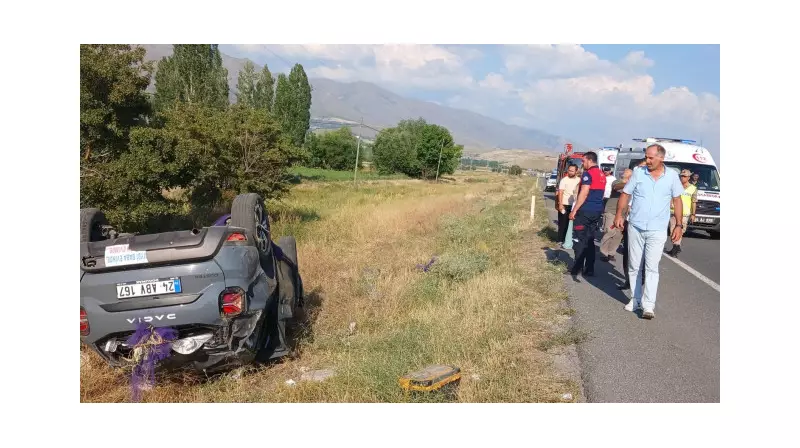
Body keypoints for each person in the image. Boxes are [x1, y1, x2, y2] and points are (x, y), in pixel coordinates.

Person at [614, 145, 685, 319]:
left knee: (651, 267)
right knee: (634, 265)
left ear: (661, 158)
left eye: (651, 158)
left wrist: (678, 225)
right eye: (646, 157)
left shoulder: (672, 177)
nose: (647, 161)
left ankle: (648, 305)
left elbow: (677, 200)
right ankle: (635, 299)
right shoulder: (639, 173)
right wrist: (619, 215)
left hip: (658, 229)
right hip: (636, 226)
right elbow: (625, 194)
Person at [569, 152, 606, 277]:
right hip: (596, 211)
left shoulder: (588, 173)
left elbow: (584, 193)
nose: (582, 164)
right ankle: (589, 268)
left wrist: (574, 210)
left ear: (590, 160)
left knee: (579, 239)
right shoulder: (602, 174)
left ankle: (576, 268)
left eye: (583, 161)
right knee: (590, 240)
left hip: (585, 211)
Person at [599, 168, 630, 263]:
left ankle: (611, 253)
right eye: (627, 173)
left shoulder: (633, 186)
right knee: (609, 231)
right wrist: (630, 183)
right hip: (611, 211)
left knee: (618, 235)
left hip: (623, 214)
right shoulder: (617, 182)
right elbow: (616, 187)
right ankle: (603, 252)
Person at [666, 169, 698, 258]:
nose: (682, 178)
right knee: (673, 230)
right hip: (674, 212)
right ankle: (676, 247)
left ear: (688, 177)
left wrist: (693, 214)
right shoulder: (676, 186)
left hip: (685, 214)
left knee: (680, 231)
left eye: (684, 176)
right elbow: (671, 197)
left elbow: (694, 202)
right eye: (681, 176)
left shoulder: (693, 189)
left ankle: (676, 247)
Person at [556, 164, 580, 245]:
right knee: (563, 223)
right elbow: (560, 192)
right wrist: (560, 204)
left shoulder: (579, 180)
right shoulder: (564, 180)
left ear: (576, 171)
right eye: (569, 170)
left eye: (572, 171)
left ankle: (569, 239)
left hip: (574, 205)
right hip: (565, 204)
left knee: (573, 224)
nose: (569, 172)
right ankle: (560, 239)